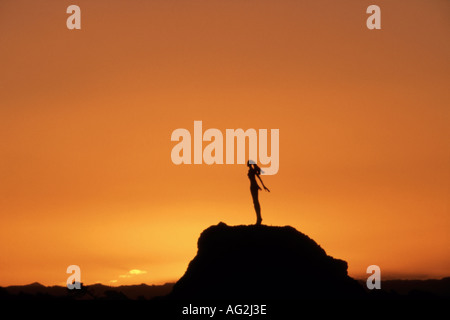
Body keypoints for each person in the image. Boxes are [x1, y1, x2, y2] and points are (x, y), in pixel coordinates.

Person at [247, 160, 270, 225]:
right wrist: (262, 186)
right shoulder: (251, 170)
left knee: (256, 202)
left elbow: (257, 178)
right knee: (255, 202)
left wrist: (262, 186)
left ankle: (259, 218)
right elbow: (258, 178)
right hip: (252, 187)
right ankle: (259, 217)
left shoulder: (252, 171)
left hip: (253, 187)